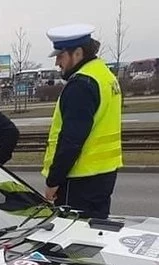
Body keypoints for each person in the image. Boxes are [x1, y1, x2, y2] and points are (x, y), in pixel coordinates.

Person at [41, 23, 122, 219]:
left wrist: (53, 181)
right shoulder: (104, 75)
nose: (57, 62)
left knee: (73, 240)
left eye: (60, 56)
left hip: (79, 181)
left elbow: (71, 140)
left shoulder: (81, 85)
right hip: (103, 175)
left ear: (77, 53)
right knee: (93, 234)